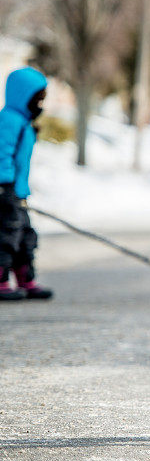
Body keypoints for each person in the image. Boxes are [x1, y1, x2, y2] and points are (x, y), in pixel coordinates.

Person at [0, 67, 52, 301]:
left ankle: (25, 278)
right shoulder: (9, 120)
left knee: (25, 236)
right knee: (6, 235)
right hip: (5, 189)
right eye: (37, 99)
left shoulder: (23, 122)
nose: (40, 104)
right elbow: (3, 153)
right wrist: (5, 183)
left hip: (18, 192)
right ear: (24, 95)